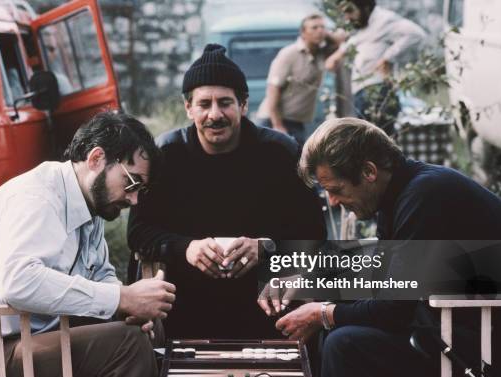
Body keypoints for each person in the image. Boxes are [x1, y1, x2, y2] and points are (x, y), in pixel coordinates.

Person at [0, 111, 176, 377]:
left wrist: (130, 307)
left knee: (144, 329)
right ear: (96, 159)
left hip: (6, 345)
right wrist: (120, 297)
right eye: (131, 182)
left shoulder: (88, 205)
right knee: (126, 346)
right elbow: (18, 283)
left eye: (141, 189)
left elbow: (100, 272)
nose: (134, 199)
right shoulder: (39, 196)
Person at [259, 117, 501, 377]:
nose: (333, 202)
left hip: (486, 343)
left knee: (345, 344)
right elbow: (383, 279)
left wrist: (323, 314)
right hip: (452, 326)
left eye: (337, 189)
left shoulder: (425, 195)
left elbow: (394, 307)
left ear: (369, 172)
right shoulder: (402, 194)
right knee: (339, 334)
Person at [127, 44, 327, 340]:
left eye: (225, 102)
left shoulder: (279, 153)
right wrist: (186, 247)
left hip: (266, 293)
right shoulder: (166, 155)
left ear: (243, 105)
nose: (214, 114)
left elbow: (315, 234)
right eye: (204, 104)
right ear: (188, 108)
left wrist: (265, 247)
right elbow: (139, 232)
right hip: (186, 296)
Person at [325, 0, 426, 135]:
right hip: (364, 90)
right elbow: (362, 38)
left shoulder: (384, 20)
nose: (347, 17)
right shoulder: (366, 23)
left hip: (377, 90)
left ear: (365, 6)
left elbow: (416, 34)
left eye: (349, 11)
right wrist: (339, 54)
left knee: (374, 142)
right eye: (344, 13)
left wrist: (388, 57)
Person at [257, 14, 340, 148]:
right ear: (303, 33)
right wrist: (277, 125)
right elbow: (273, 89)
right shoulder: (289, 54)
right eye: (314, 28)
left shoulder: (320, 53)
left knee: (296, 165)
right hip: (274, 121)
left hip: (297, 122)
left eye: (322, 27)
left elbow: (340, 43)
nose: (320, 30)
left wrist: (325, 34)